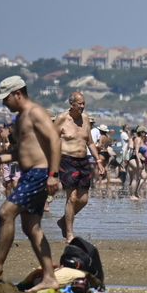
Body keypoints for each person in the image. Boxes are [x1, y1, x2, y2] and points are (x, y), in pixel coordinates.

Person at [0, 76, 61, 291]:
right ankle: (49, 277)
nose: (4, 103)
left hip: (40, 174)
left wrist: (54, 174)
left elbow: (54, 140)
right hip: (31, 173)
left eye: (6, 99)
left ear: (18, 94)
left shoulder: (35, 112)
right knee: (31, 227)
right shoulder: (21, 117)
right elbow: (22, 151)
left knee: (6, 212)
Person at [55, 92, 100, 240]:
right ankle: (69, 233)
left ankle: (63, 222)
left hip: (83, 161)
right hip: (66, 160)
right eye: (79, 103)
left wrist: (98, 161)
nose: (82, 106)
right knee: (72, 197)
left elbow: (90, 142)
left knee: (84, 199)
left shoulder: (85, 119)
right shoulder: (61, 119)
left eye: (83, 103)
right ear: (71, 104)